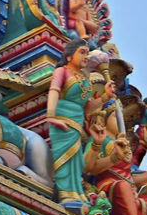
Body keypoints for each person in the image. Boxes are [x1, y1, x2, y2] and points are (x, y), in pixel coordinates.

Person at [45, 39, 115, 204]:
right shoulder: (62, 71)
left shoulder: (84, 79)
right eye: (82, 52)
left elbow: (87, 108)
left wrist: (105, 96)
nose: (85, 56)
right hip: (62, 118)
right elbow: (54, 91)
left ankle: (76, 192)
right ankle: (64, 193)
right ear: (69, 56)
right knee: (64, 156)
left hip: (77, 122)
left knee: (76, 159)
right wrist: (51, 116)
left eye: (87, 53)